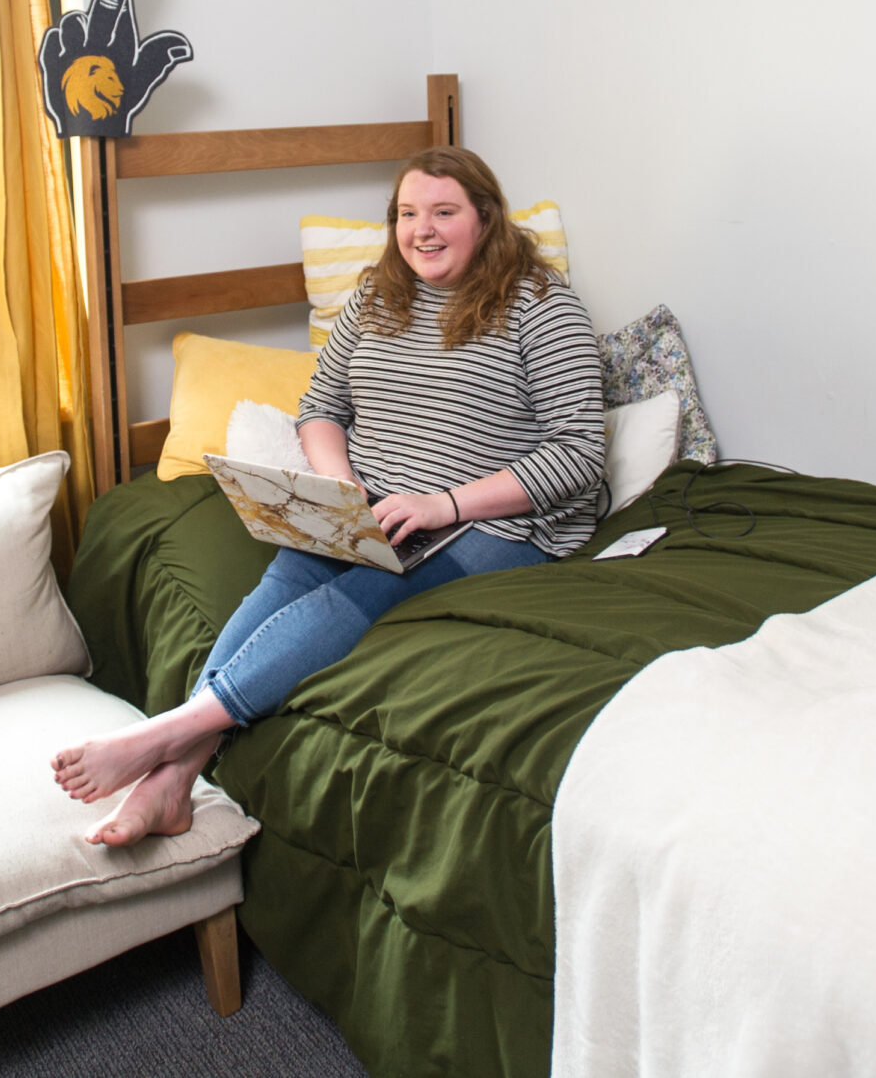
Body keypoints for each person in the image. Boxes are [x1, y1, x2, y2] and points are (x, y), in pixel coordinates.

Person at [52, 146, 606, 845]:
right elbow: (319, 406)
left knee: (365, 592)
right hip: (375, 502)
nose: (422, 230)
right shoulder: (379, 294)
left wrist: (448, 504)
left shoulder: (539, 302)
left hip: (494, 522)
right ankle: (171, 782)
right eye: (408, 213)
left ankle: (167, 736)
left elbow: (580, 451)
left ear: (487, 219)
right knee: (286, 579)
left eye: (444, 211)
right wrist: (337, 483)